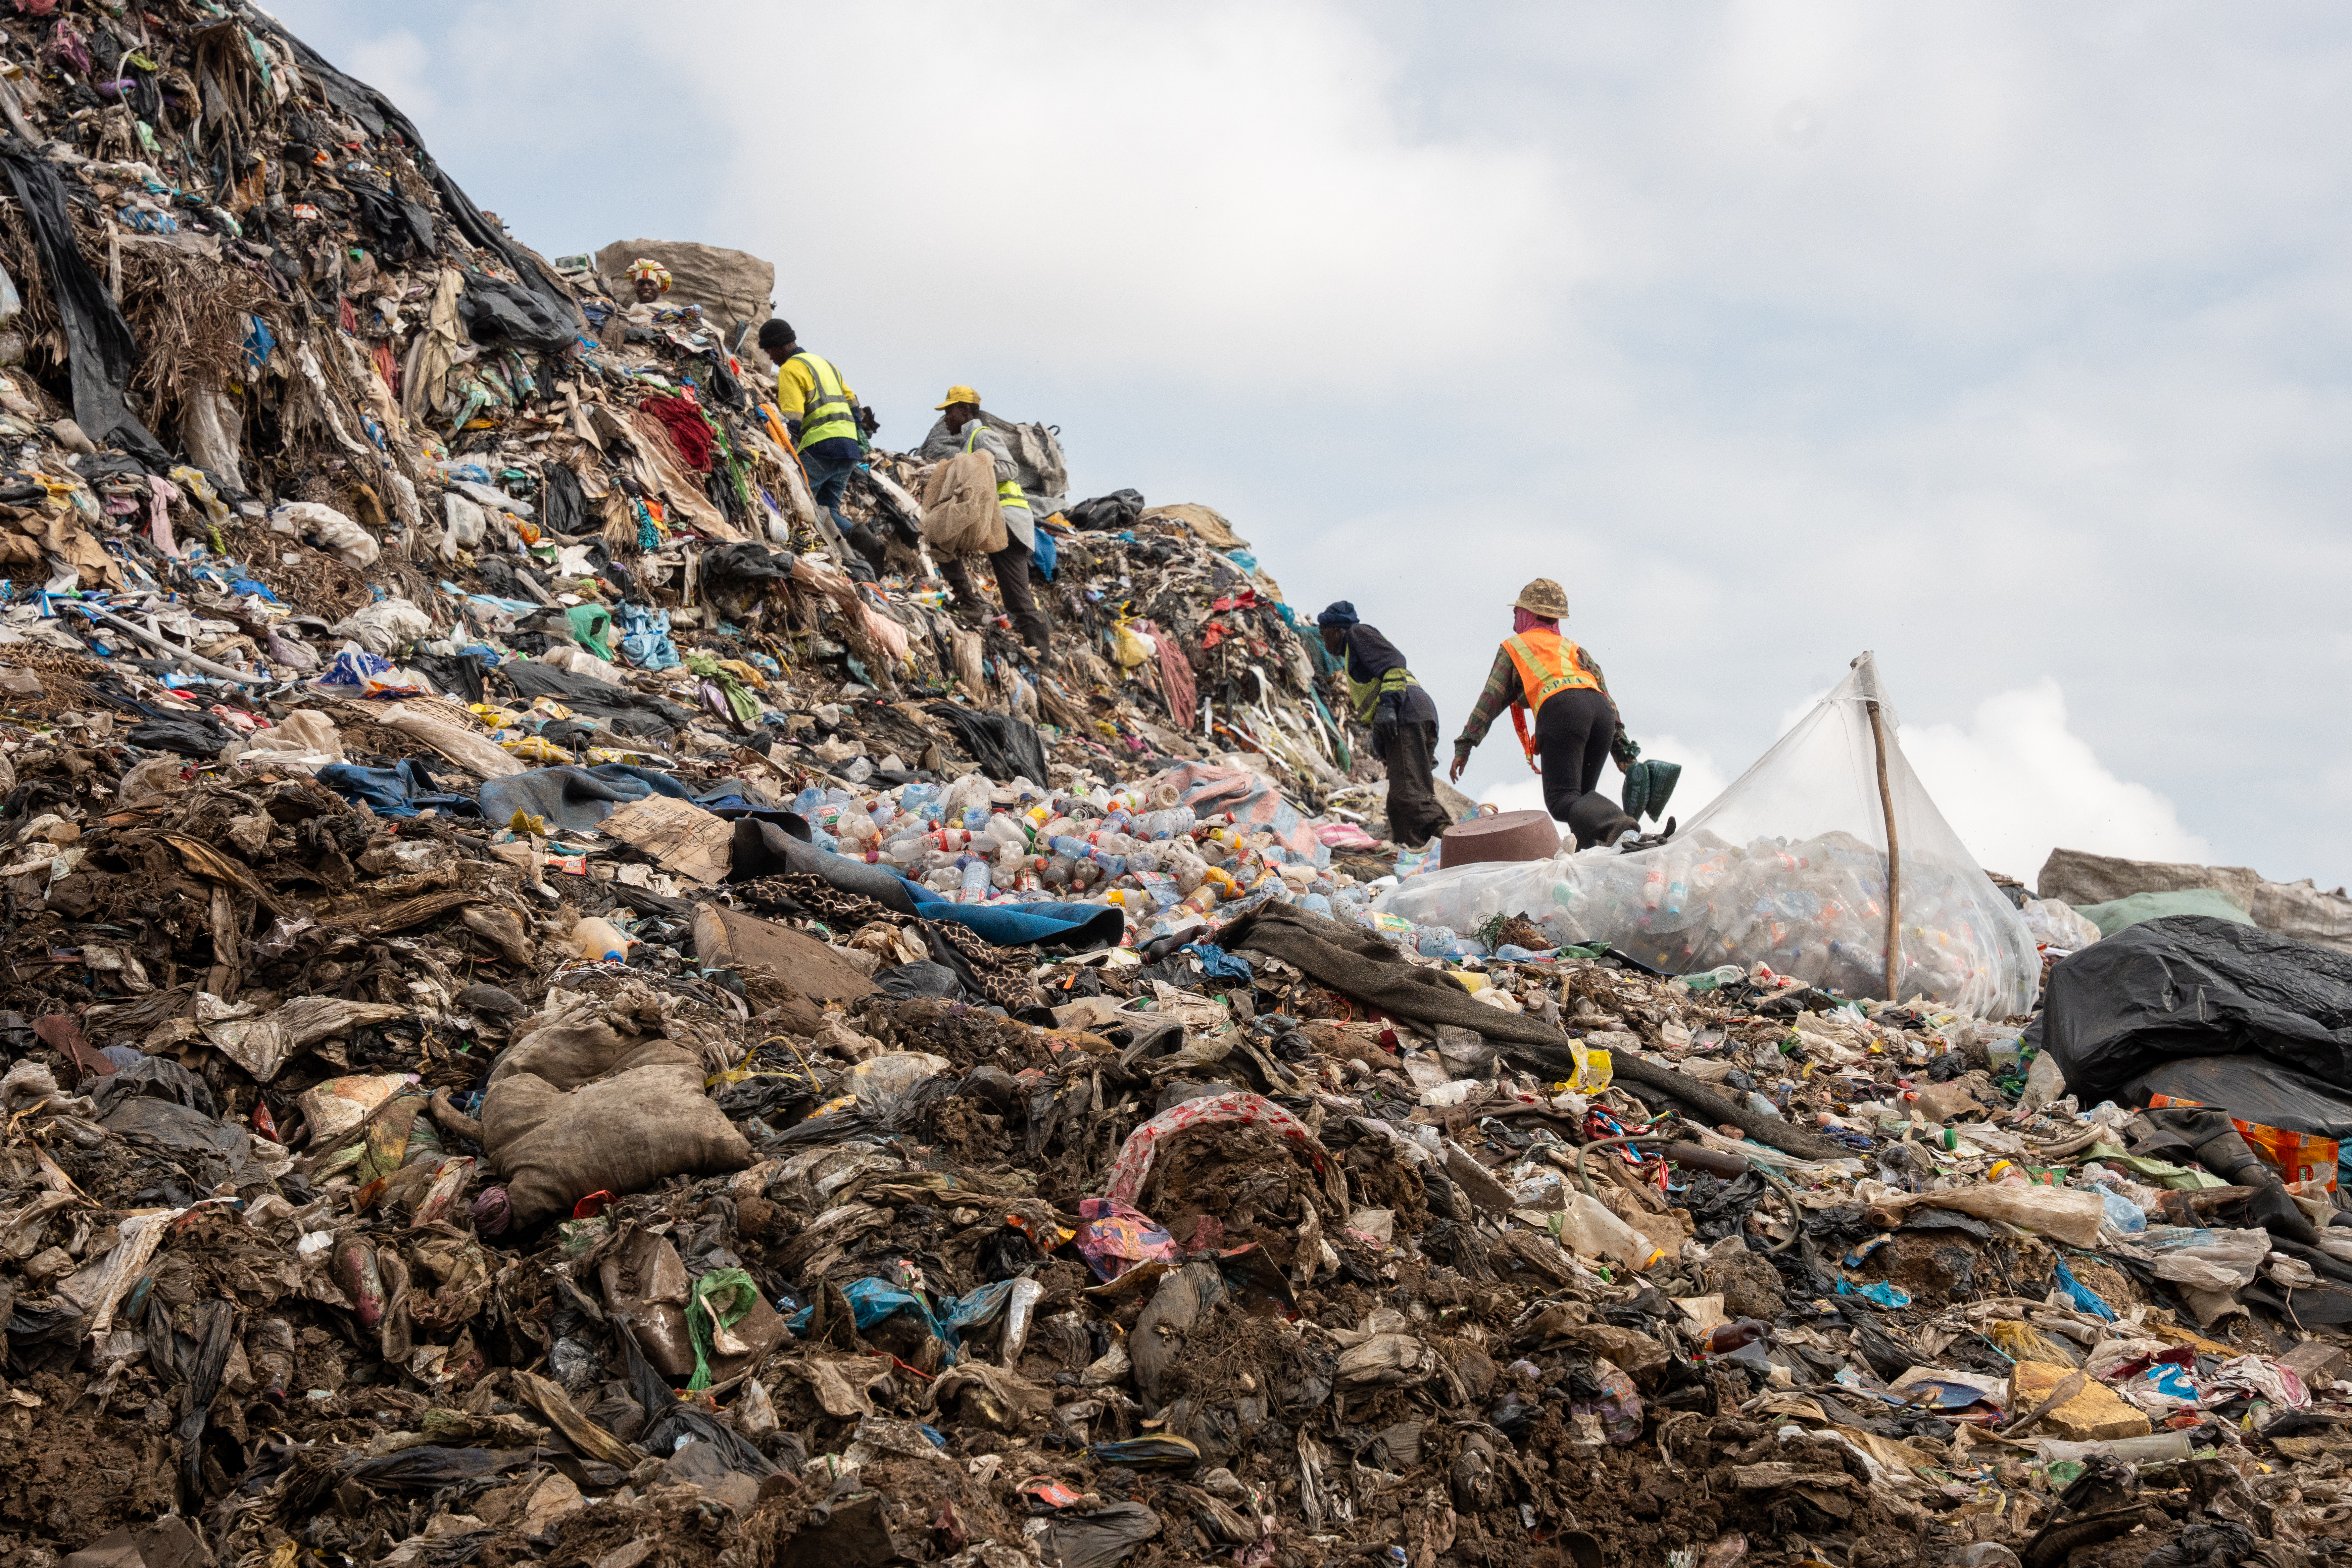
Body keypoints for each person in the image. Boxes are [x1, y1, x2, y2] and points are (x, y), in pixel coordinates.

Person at [1450, 577, 1643, 848]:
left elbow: (1490, 699)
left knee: (1562, 800)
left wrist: (1465, 745)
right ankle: (1601, 856)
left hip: (1563, 711)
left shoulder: (1514, 647)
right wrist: (1624, 755)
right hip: (1601, 714)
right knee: (1584, 802)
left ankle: (1622, 827)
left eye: (1517, 612)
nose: (1514, 619)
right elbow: (1607, 698)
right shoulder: (1573, 648)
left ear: (1527, 613)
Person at [756, 320, 888, 575]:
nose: (771, 358)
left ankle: (793, 553)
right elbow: (853, 402)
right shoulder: (825, 364)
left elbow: (792, 419)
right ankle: (868, 547)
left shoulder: (791, 369)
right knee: (826, 509)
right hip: (848, 448)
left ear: (780, 345)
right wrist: (853, 432)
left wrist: (783, 449)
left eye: (769, 351)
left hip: (820, 447)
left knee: (795, 502)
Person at [1317, 601, 1451, 848]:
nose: (1322, 640)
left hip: (1405, 711)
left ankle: (1459, 843)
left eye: (1323, 632)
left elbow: (1395, 662)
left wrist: (1389, 707)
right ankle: (1412, 852)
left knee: (1410, 795)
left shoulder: (1358, 634)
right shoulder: (1351, 652)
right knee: (1399, 805)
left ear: (1336, 629)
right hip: (1414, 712)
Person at [933, 386, 1052, 657]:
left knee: (940, 537)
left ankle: (971, 603)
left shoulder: (982, 435)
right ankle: (1042, 656)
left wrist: (969, 474)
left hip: (1005, 519)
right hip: (1001, 520)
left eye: (949, 411)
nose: (945, 419)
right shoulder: (969, 440)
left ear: (965, 411)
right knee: (1015, 597)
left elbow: (1009, 469)